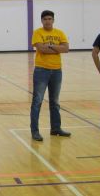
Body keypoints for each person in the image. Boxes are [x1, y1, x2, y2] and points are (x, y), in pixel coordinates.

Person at [30, 10, 71, 142]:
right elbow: (41, 49)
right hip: (42, 70)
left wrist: (50, 45)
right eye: (45, 19)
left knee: (55, 102)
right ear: (42, 21)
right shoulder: (38, 32)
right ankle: (35, 131)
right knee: (37, 101)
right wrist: (56, 47)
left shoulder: (59, 33)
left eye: (50, 19)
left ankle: (56, 128)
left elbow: (66, 49)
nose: (48, 21)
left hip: (57, 70)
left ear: (53, 20)